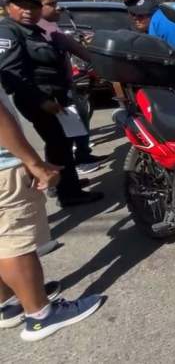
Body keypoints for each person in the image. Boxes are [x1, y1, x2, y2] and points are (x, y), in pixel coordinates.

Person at [0, 87, 103, 341]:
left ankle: (10, 302)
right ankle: (40, 315)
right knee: (15, 241)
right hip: (3, 167)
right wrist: (35, 164)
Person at [0, 0, 103, 207]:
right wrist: (41, 101)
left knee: (61, 143)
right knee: (59, 143)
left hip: (55, 96)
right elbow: (12, 76)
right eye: (21, 6)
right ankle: (69, 193)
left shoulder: (34, 31)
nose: (27, 11)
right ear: (8, 7)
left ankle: (64, 183)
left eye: (33, 6)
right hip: (40, 100)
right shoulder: (8, 31)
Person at [22, 0, 108, 175]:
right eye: (51, 4)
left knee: (73, 129)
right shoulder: (28, 32)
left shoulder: (48, 26)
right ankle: (62, 185)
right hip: (47, 95)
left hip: (64, 88)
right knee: (57, 141)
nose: (58, 7)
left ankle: (75, 172)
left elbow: (75, 47)